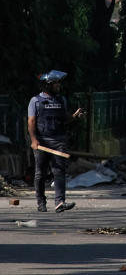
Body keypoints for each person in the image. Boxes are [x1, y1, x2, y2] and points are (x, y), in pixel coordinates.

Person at [27, 70, 84, 213]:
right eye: (55, 83)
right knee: (40, 173)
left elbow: (65, 119)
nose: (58, 85)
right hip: (42, 142)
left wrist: (75, 116)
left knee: (59, 171)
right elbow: (31, 121)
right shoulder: (35, 101)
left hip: (59, 141)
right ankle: (41, 202)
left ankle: (59, 202)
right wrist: (34, 140)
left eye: (59, 82)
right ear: (47, 85)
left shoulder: (61, 100)